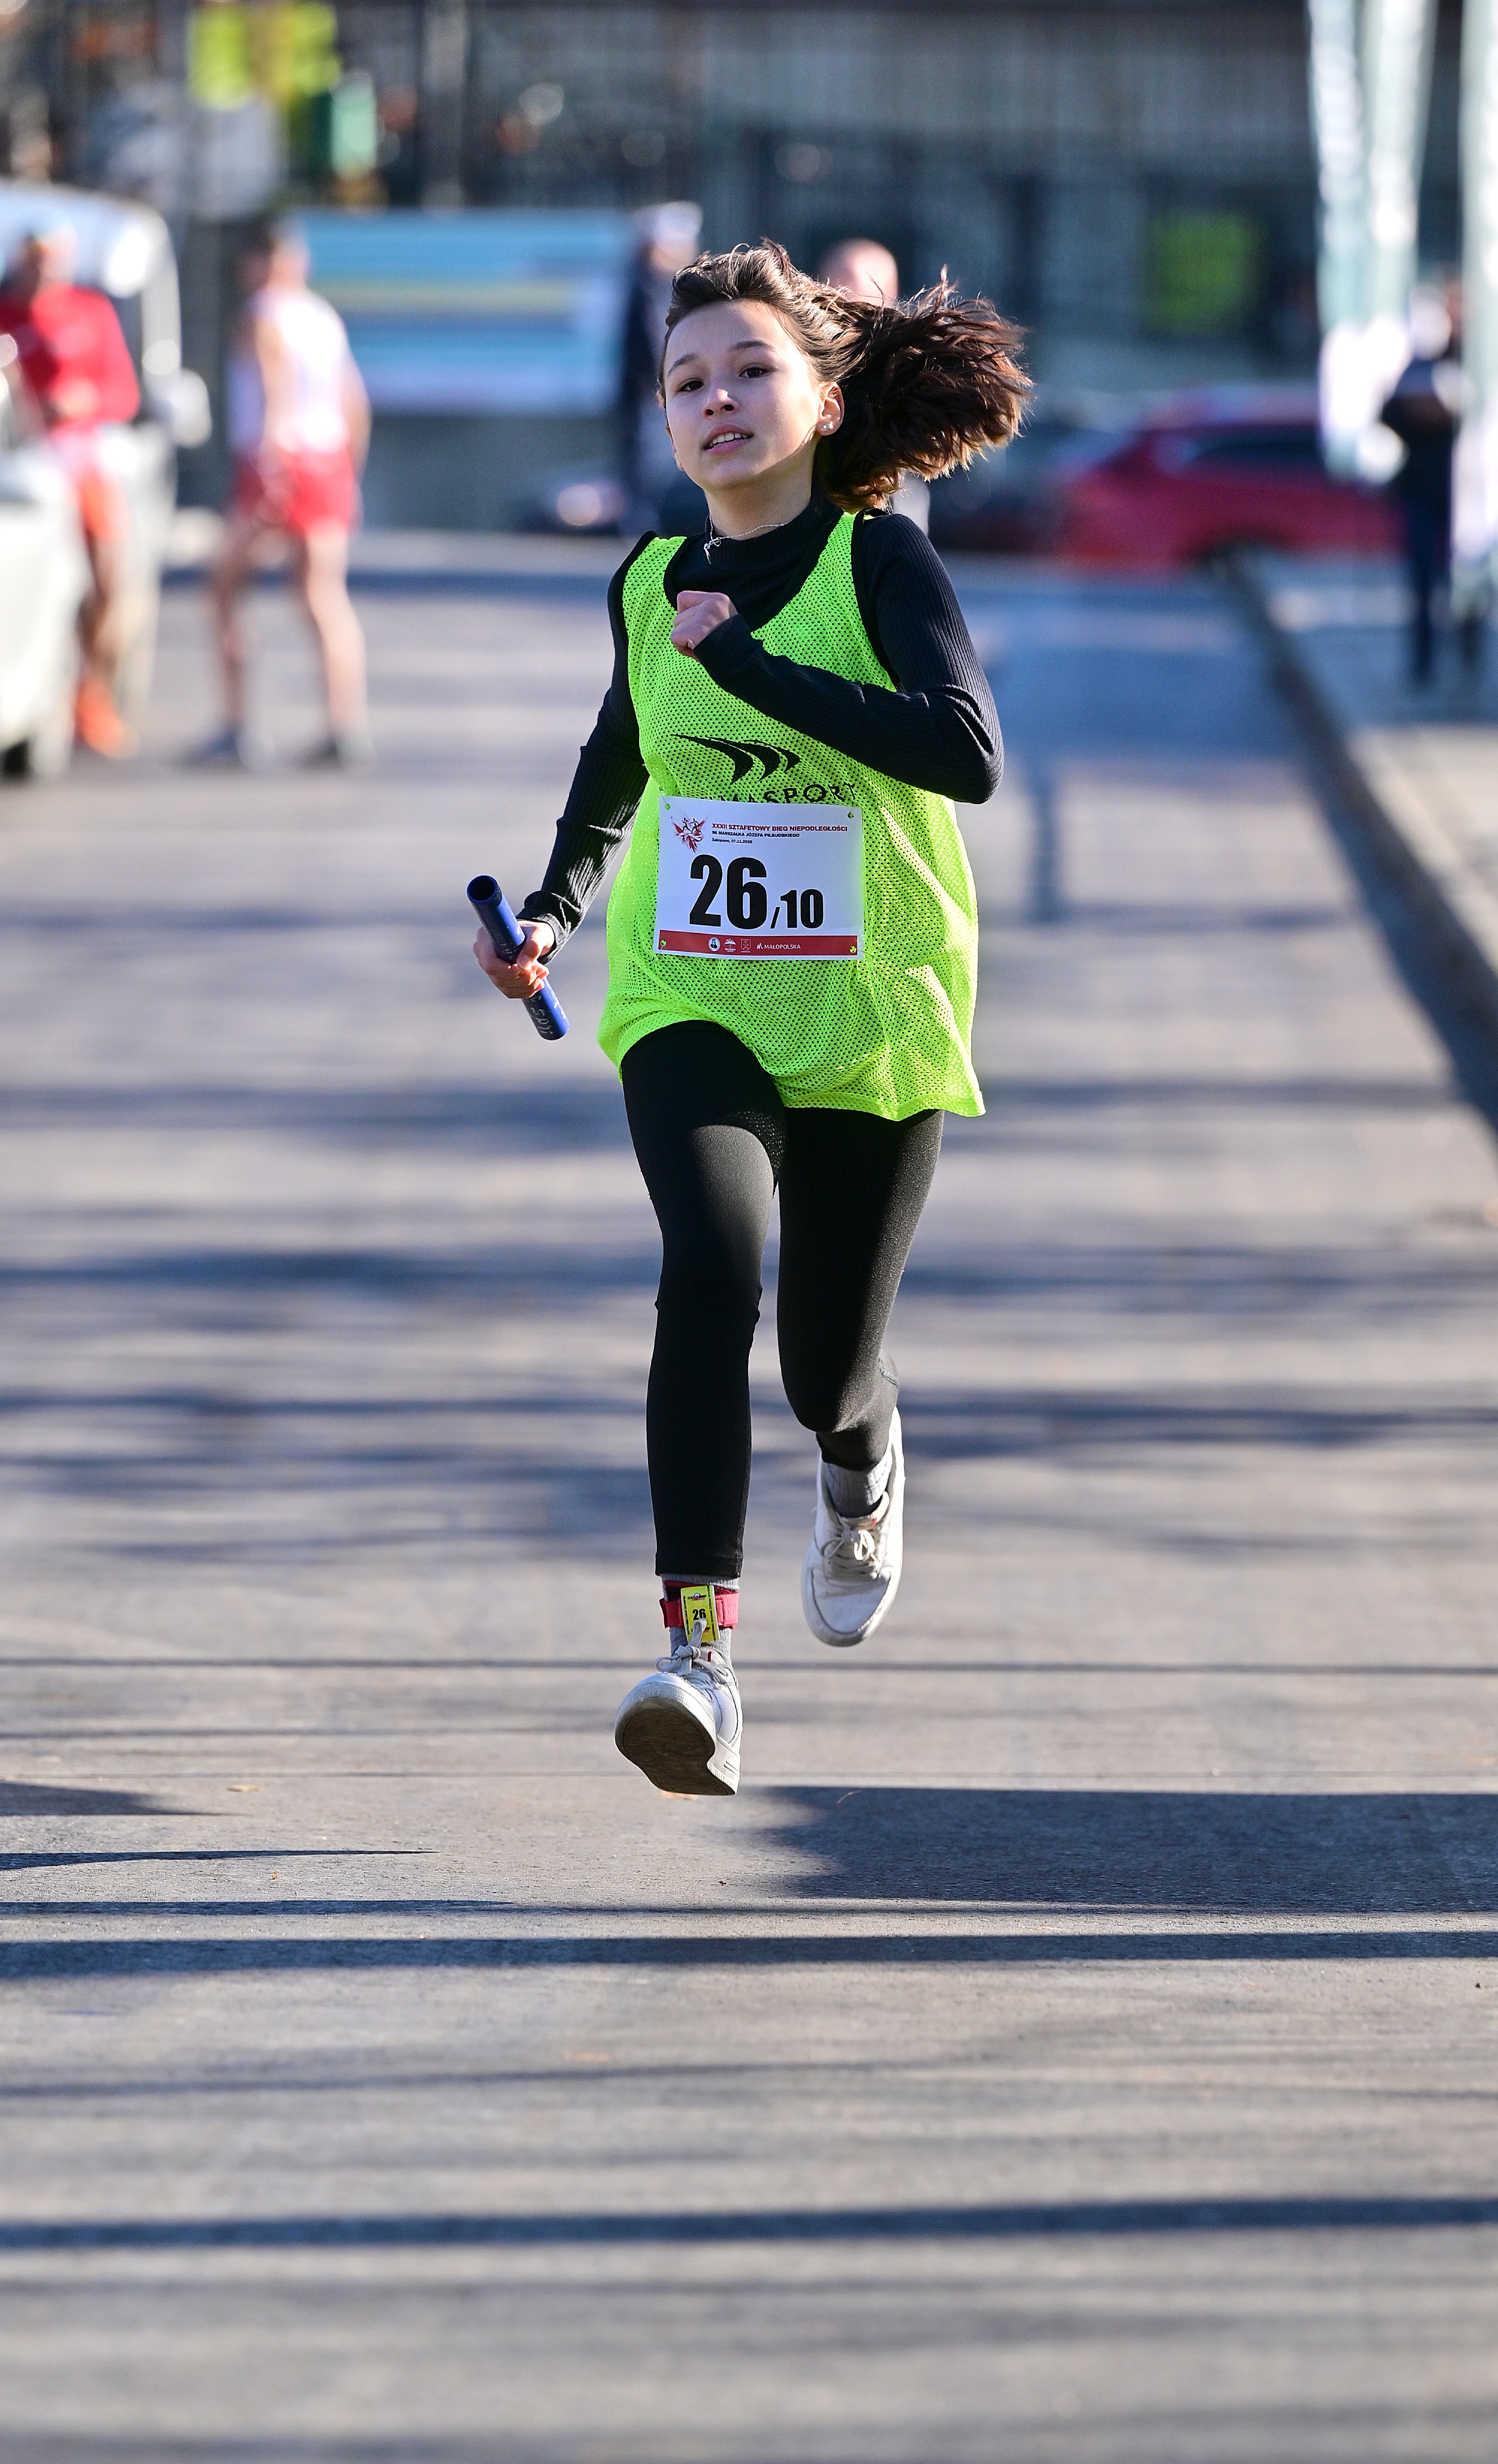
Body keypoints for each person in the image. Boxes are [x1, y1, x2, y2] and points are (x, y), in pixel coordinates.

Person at [473, 240, 1028, 1797]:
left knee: (821, 1368)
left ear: (824, 398)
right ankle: (697, 1657)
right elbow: (622, 752)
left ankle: (862, 1452)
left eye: (750, 369)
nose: (716, 399)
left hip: (870, 1003)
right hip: (691, 988)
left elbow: (968, 754)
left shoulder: (881, 564)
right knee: (710, 1266)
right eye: (687, 380)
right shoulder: (651, 578)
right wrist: (553, 907)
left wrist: (755, 663)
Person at [193, 219, 371, 769]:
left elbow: (277, 389)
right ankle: (344, 725)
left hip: (277, 461)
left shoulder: (262, 314)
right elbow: (354, 401)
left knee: (224, 588)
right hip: (327, 461)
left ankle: (237, 725)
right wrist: (349, 472)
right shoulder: (322, 316)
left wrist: (271, 465)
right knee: (323, 596)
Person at [0, 224, 142, 756]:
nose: (43, 267)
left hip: (77, 457)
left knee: (106, 577)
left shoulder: (89, 311)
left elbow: (123, 392)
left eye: (52, 257)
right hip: (14, 465)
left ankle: (91, 694)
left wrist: (81, 399)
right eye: (35, 257)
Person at [1379, 281, 1475, 688]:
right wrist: (1420, 415)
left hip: (1466, 493)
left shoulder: (1477, 360)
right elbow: (1387, 412)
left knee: (1469, 579)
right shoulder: (1417, 363)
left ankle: (1469, 656)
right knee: (1421, 583)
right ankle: (1423, 663)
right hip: (1422, 488)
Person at [816, 238, 931, 532]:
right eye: (833, 285)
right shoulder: (802, 355)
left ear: (889, 294)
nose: (843, 297)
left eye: (855, 286)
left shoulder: (910, 367)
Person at [616, 202, 704, 531]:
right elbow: (655, 344)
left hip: (655, 394)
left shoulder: (664, 287)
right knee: (651, 466)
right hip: (652, 396)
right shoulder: (652, 287)